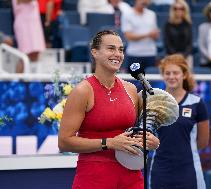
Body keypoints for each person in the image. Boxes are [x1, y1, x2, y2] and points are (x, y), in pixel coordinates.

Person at [58, 30, 160, 189]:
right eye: (111, 48)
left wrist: (150, 140)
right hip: (94, 175)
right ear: (95, 52)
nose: (118, 54)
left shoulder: (131, 89)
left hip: (131, 173)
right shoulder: (83, 91)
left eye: (121, 49)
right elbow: (64, 142)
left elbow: (136, 131)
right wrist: (108, 143)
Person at [149, 54, 210, 189]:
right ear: (163, 75)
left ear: (184, 74)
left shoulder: (197, 103)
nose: (171, 77)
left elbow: (203, 141)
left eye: (175, 73)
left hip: (189, 169)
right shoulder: (155, 102)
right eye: (167, 73)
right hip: (161, 170)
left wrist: (183, 151)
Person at [121, 0, 159, 71]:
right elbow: (128, 36)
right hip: (134, 54)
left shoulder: (152, 14)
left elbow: (155, 35)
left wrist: (155, 35)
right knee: (134, 81)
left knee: (150, 81)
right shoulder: (127, 14)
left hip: (151, 53)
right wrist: (148, 35)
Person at [12, 0, 46, 73]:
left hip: (34, 22)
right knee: (24, 56)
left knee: (35, 53)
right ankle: (17, 83)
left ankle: (33, 82)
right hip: (24, 23)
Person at [164, 0, 193, 67]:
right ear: (172, 10)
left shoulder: (188, 24)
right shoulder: (168, 24)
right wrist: (176, 56)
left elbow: (189, 43)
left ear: (185, 10)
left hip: (186, 57)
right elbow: (167, 43)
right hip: (171, 57)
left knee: (186, 76)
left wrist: (183, 55)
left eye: (181, 8)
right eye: (175, 8)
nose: (178, 11)